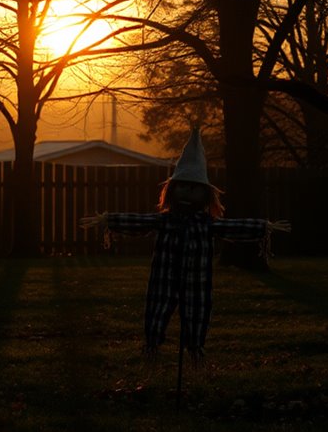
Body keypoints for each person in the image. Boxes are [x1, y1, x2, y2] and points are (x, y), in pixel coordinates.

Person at [80, 127, 289, 365]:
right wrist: (110, 220)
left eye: (194, 188)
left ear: (205, 194)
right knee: (157, 307)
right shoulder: (165, 221)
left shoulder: (206, 224)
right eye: (183, 186)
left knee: (197, 311)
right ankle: (153, 344)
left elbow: (232, 227)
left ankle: (195, 347)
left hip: (196, 281)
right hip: (164, 277)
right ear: (172, 190)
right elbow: (141, 221)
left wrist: (262, 227)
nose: (188, 192)